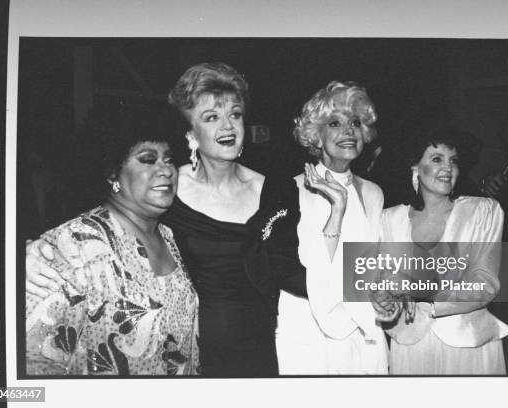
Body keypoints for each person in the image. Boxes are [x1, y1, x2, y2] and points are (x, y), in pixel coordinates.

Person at [25, 107, 199, 375]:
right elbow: (33, 366)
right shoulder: (73, 245)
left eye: (168, 159)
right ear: (112, 173)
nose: (165, 170)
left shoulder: (169, 236)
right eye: (148, 160)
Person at [161, 62, 306, 377]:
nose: (227, 126)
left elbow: (291, 271)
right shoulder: (167, 190)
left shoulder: (275, 191)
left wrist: (371, 284)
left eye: (235, 114)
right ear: (190, 134)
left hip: (259, 349)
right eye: (212, 117)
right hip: (189, 354)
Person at [378, 126, 508, 375]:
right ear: (414, 168)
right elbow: (383, 283)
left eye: (454, 161)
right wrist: (388, 300)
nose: (449, 168)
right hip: (410, 346)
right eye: (437, 159)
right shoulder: (388, 219)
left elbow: (485, 285)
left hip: (468, 346)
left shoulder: (483, 211)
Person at [276, 81, 389, 375]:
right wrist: (338, 208)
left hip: (364, 330)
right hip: (312, 329)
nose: (349, 131)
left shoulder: (374, 193)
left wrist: (386, 295)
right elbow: (312, 267)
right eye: (335, 123)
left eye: (355, 122)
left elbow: (369, 264)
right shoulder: (292, 189)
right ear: (316, 134)